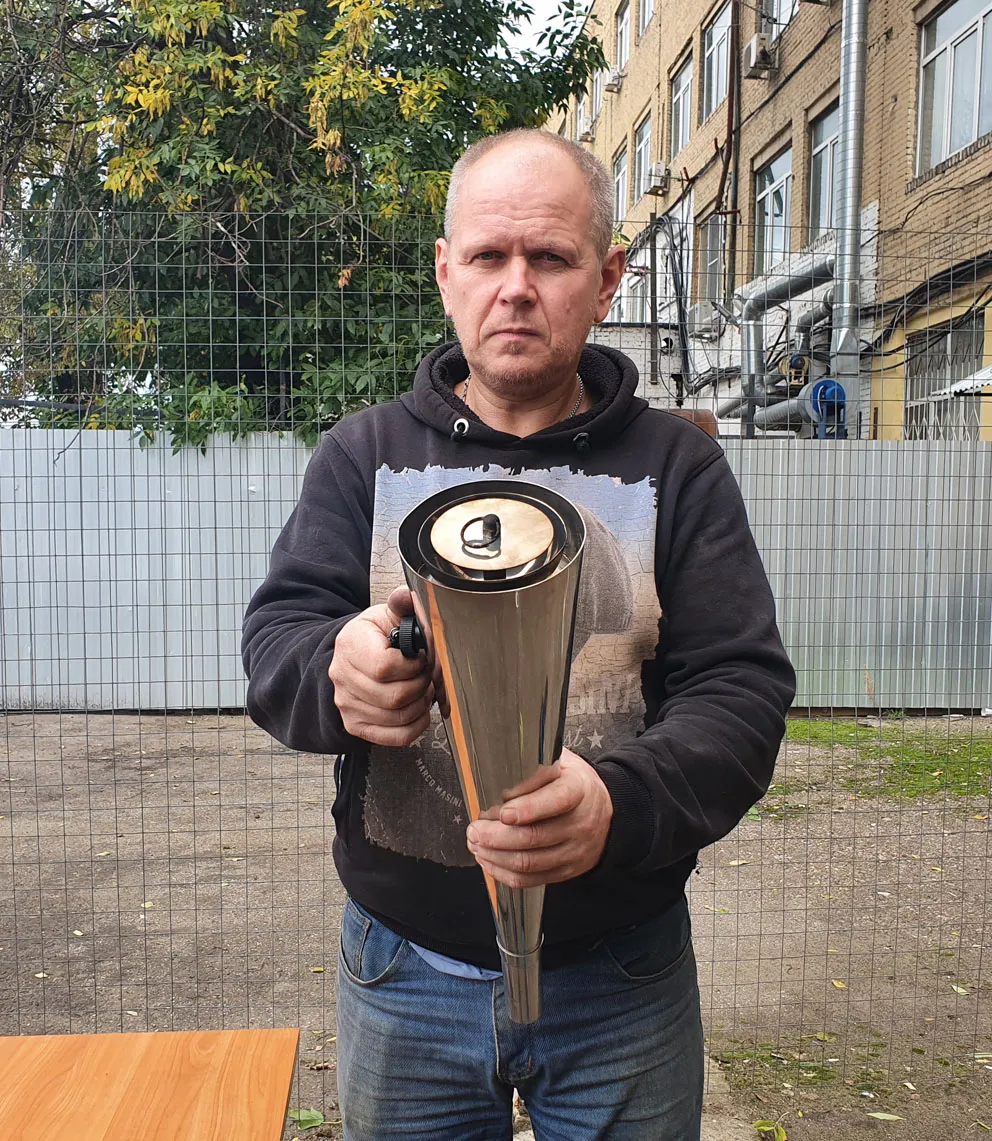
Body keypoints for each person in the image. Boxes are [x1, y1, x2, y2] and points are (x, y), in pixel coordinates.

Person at [242, 128, 796, 1141]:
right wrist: (338, 675)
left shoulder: (676, 469)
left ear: (607, 279)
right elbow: (277, 639)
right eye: (488, 256)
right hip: (403, 975)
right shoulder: (362, 455)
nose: (515, 287)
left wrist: (618, 802)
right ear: (445, 272)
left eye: (549, 257)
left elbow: (740, 690)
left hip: (621, 977)